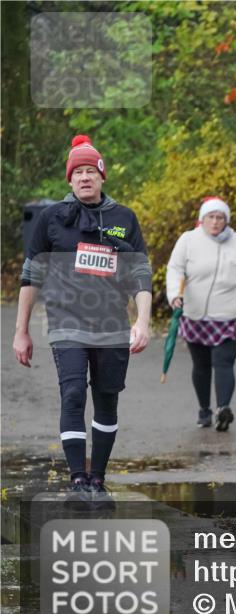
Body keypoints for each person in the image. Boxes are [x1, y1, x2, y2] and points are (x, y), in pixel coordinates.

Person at [13, 135, 152, 509]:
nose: (85, 177)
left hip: (111, 325)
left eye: (91, 170)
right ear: (70, 180)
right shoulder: (52, 218)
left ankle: (97, 480)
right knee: (73, 393)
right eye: (79, 172)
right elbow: (31, 276)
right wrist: (21, 331)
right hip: (66, 321)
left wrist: (143, 319)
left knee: (106, 399)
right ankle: (77, 479)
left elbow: (141, 273)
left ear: (102, 176)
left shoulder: (125, 218)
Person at [166, 197, 236, 430]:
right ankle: (204, 410)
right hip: (195, 314)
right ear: (202, 219)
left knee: (223, 362)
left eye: (221, 218)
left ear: (226, 220)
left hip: (232, 312)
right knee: (201, 365)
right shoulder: (188, 240)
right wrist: (173, 295)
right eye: (211, 217)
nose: (216, 222)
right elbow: (175, 268)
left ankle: (223, 409)